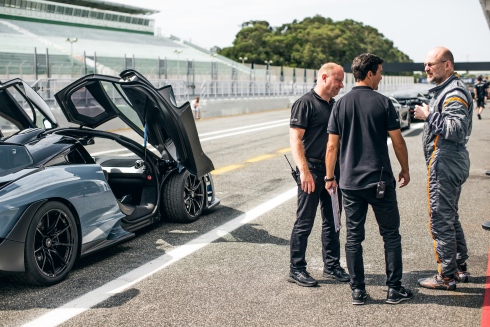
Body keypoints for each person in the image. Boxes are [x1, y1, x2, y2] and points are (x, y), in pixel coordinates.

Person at [325, 53, 412, 305]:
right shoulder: (384, 103)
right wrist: (405, 169)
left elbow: (332, 146)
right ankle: (394, 289)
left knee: (354, 237)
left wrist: (330, 177)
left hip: (350, 183)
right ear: (371, 73)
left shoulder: (340, 105)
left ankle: (358, 291)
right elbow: (398, 141)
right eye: (380, 72)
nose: (382, 77)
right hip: (380, 181)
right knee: (391, 235)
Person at [414, 46, 473, 290]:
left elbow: (456, 129)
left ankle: (446, 275)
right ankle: (458, 267)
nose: (426, 68)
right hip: (450, 159)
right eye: (425, 64)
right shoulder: (450, 89)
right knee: (449, 216)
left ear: (447, 65)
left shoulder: (453, 91)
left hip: (447, 160)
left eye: (431, 64)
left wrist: (428, 116)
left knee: (440, 218)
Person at [288, 62, 349, 287]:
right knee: (304, 222)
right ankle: (296, 268)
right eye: (338, 80)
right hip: (311, 171)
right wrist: (304, 172)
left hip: (332, 172)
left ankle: (332, 265)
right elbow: (295, 140)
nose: (342, 85)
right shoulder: (304, 104)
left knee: (333, 220)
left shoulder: (334, 105)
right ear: (324, 78)